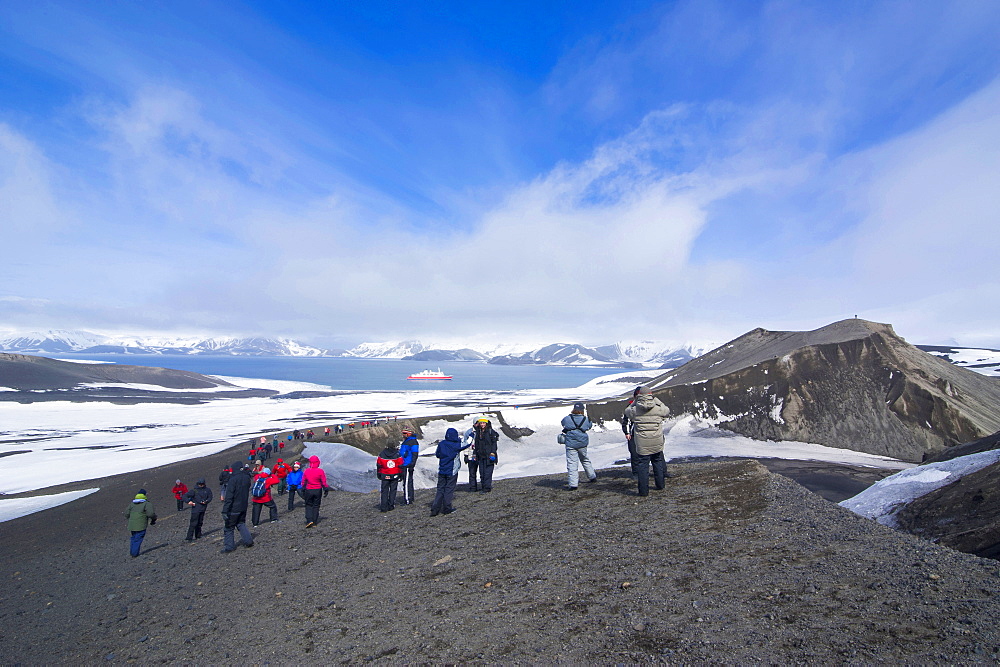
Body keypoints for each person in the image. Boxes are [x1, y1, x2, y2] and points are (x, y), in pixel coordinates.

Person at [623, 386, 670, 496]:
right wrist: (657, 400)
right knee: (657, 461)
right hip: (656, 439)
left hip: (642, 442)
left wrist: (635, 401)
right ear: (650, 394)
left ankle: (643, 491)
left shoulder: (634, 410)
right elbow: (666, 410)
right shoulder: (658, 408)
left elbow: (627, 411)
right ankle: (660, 485)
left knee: (643, 465)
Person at [430, 428, 471, 516]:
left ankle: (435, 509)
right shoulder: (455, 445)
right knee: (449, 490)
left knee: (440, 489)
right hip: (451, 471)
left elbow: (437, 454)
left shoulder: (442, 444)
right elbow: (467, 444)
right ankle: (447, 508)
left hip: (442, 470)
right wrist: (471, 436)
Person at [221, 460, 254, 553]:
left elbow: (229, 496)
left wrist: (225, 510)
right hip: (243, 505)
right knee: (240, 523)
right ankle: (248, 541)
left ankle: (229, 547)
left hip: (234, 507)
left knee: (229, 527)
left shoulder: (233, 480)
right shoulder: (246, 478)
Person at [561, 402, 597, 490]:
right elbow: (589, 426)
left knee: (572, 463)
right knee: (584, 459)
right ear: (582, 410)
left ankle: (573, 484)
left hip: (570, 444)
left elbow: (563, 423)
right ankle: (592, 476)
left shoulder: (567, 418)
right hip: (582, 443)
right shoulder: (586, 419)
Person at [466, 417, 499, 493]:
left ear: (486, 423)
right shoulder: (479, 432)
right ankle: (484, 487)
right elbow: (476, 444)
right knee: (482, 472)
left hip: (489, 456)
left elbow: (494, 444)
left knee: (487, 473)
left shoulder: (490, 432)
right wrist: (475, 454)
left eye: (484, 423)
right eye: (481, 423)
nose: (482, 424)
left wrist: (493, 452)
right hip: (481, 456)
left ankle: (487, 488)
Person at [124, 489, 156, 558]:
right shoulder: (147, 504)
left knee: (134, 538)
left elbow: (126, 513)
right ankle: (134, 554)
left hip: (132, 525)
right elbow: (151, 514)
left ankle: (132, 552)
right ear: (144, 495)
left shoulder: (132, 504)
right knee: (138, 538)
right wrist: (154, 519)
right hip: (141, 525)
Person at [300, 455, 331, 527]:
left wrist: (303, 488)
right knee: (316, 505)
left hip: (309, 490)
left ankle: (309, 520)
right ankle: (314, 521)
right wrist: (326, 489)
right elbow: (323, 482)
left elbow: (303, 481)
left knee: (308, 505)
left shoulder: (307, 471)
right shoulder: (320, 471)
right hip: (318, 490)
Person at [621, 386, 643, 478]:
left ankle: (660, 472)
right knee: (634, 453)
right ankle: (636, 473)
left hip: (645, 432)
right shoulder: (630, 407)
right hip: (634, 433)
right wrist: (627, 433)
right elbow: (626, 421)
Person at [376, 442, 404, 512]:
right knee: (393, 490)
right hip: (394, 474)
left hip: (384, 474)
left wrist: (379, 473)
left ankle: (383, 507)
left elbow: (379, 465)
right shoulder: (397, 454)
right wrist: (401, 474)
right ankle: (391, 505)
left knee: (384, 491)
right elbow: (400, 465)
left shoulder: (382, 453)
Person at [398, 428, 420, 506]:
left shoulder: (412, 442)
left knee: (407, 482)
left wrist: (412, 464)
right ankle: (409, 497)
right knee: (407, 481)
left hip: (407, 464)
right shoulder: (407, 441)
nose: (403, 434)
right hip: (404, 464)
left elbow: (415, 454)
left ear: (409, 433)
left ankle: (407, 500)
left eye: (404, 433)